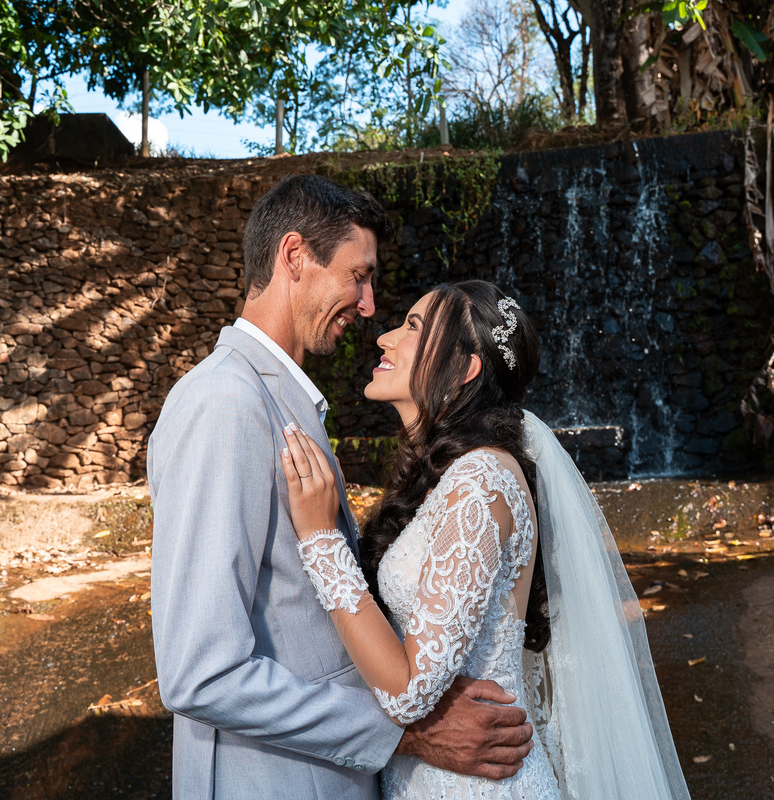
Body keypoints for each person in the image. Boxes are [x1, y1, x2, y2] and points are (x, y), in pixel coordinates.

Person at [147, 176, 535, 800]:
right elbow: (199, 673)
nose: (369, 305)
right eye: (359, 275)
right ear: (294, 257)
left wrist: (432, 675)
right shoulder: (225, 404)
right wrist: (404, 731)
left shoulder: (284, 400)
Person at [280, 280, 692, 799]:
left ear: (464, 368)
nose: (384, 337)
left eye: (411, 327)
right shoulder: (442, 480)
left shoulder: (481, 483)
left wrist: (320, 540)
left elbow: (409, 694)